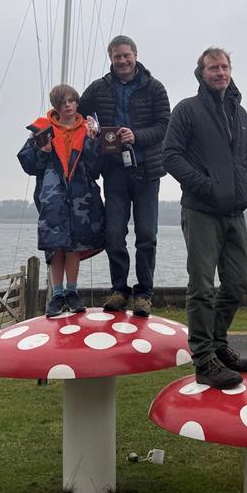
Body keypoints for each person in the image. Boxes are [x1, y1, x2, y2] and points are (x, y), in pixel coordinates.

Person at [163, 47, 247, 388]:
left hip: (235, 210)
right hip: (201, 209)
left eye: (224, 66)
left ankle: (218, 345)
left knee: (237, 282)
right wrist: (205, 186)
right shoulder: (188, 109)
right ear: (202, 73)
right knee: (202, 287)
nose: (220, 72)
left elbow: (245, 158)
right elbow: (170, 156)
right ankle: (204, 360)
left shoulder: (240, 112)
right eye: (213, 67)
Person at [79, 35, 170, 317]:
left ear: (135, 55)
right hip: (114, 171)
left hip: (146, 172)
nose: (122, 61)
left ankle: (144, 293)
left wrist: (137, 136)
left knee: (146, 235)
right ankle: (119, 289)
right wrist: (89, 125)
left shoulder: (155, 88)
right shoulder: (98, 88)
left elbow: (165, 125)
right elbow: (78, 114)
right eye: (117, 56)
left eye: (126, 55)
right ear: (111, 58)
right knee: (115, 235)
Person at [18, 84, 105, 316]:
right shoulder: (41, 129)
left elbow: (95, 167)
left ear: (77, 103)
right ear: (55, 106)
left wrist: (93, 142)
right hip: (52, 198)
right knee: (55, 247)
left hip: (80, 197)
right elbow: (28, 165)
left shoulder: (88, 128)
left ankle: (72, 292)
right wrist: (42, 150)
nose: (67, 106)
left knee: (74, 246)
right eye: (62, 102)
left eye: (71, 101)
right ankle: (57, 295)